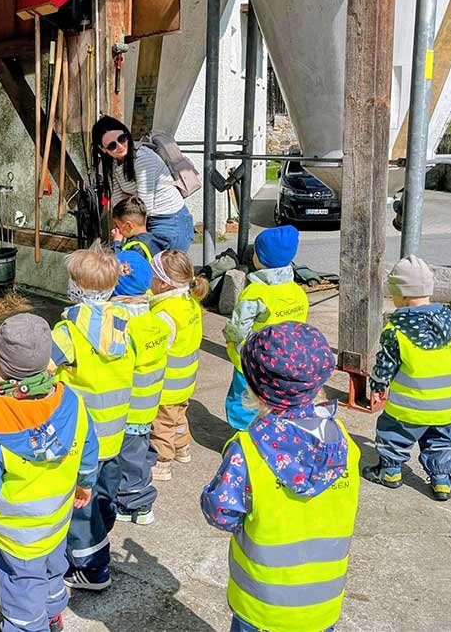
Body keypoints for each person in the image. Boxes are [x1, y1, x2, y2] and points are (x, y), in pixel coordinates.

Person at [201, 322, 360, 632]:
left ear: (255, 387)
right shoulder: (343, 442)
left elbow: (221, 512)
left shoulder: (246, 450)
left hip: (261, 604)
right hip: (322, 601)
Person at [0, 313, 100, 632]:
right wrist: (86, 483)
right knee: (53, 567)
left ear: (1, 366)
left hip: (19, 533)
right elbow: (89, 450)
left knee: (20, 583)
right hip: (57, 520)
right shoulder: (73, 403)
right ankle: (53, 616)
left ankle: (26, 627)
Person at [50, 244, 135, 591]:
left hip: (82, 436)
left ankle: (92, 567)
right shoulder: (126, 324)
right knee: (103, 493)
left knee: (81, 504)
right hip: (115, 431)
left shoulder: (67, 331)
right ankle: (104, 524)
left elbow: (44, 370)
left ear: (76, 286)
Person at [364, 255, 451, 502]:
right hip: (449, 405)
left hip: (409, 407)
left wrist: (378, 386)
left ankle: (390, 471)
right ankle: (442, 481)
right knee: (440, 440)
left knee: (393, 433)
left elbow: (385, 366)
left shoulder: (398, 329)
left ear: (399, 295)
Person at [223, 225, 309, 431]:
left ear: (259, 259)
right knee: (275, 398)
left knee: (244, 399)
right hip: (285, 360)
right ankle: (271, 433)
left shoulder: (255, 292)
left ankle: (245, 435)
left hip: (253, 360)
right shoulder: (297, 291)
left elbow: (239, 326)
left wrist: (229, 335)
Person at [110, 250, 171, 525]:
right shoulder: (156, 322)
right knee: (139, 450)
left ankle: (137, 504)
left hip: (127, 408)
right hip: (148, 404)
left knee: (129, 460)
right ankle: (136, 494)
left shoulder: (121, 327)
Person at [92, 115, 195, 252]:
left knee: (166, 271)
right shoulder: (111, 163)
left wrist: (125, 236)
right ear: (103, 149)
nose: (120, 146)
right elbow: (119, 203)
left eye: (122, 139)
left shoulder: (142, 158)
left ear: (126, 134)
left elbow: (144, 206)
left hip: (169, 222)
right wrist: (122, 228)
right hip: (145, 220)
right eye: (112, 145)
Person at [148, 250, 207, 482]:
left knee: (161, 423)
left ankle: (162, 462)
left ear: (162, 284)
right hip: (186, 379)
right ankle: (183, 448)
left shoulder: (164, 314)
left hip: (166, 384)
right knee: (179, 416)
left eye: (152, 276)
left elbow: (157, 348)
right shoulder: (190, 302)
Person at [110, 196, 168, 262]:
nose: (114, 230)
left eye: (117, 225)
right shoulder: (153, 240)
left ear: (129, 225)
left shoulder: (137, 248)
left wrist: (116, 243)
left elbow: (119, 267)